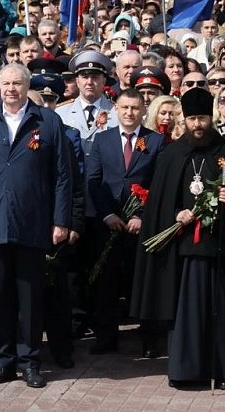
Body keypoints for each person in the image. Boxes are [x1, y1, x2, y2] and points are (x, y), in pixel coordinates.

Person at [131, 88, 225, 390]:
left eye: (202, 118)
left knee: (219, 310)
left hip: (218, 247)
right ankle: (185, 370)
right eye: (192, 119)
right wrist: (176, 214)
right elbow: (159, 204)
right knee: (184, 311)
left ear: (211, 118)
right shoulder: (173, 154)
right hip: (182, 249)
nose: (198, 125)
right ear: (184, 120)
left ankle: (222, 370)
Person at [0, 63, 74, 389]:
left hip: (33, 223)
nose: (11, 89)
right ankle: (3, 361)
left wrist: (60, 220)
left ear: (27, 87)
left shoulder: (48, 121)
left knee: (30, 298)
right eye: (5, 83)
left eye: (17, 84)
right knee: (0, 298)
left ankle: (29, 362)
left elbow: (63, 176)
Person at [85, 89, 166, 356]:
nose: (129, 113)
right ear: (115, 109)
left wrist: (141, 216)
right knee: (106, 282)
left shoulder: (155, 142)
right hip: (108, 222)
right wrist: (107, 215)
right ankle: (106, 337)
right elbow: (93, 181)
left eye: (135, 108)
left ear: (144, 110)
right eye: (125, 107)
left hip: (140, 225)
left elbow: (159, 183)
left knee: (142, 282)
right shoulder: (102, 140)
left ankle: (150, 340)